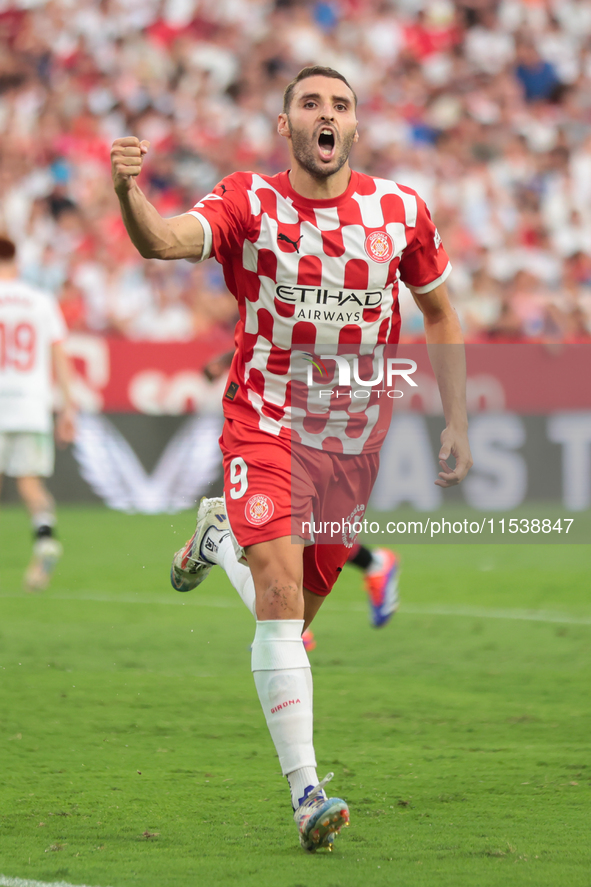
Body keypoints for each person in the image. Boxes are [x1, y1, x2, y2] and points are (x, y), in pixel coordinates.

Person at [111, 65, 472, 853]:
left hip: (350, 443)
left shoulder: (399, 211)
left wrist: (454, 417)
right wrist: (128, 194)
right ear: (286, 126)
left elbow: (441, 312)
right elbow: (164, 241)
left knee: (294, 621)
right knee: (277, 594)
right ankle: (307, 793)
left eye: (339, 105)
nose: (326, 114)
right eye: (310, 102)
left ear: (353, 127)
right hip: (266, 422)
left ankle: (215, 538)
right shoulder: (250, 200)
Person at [202, 348, 400, 641]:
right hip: (285, 420)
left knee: (299, 530)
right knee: (289, 527)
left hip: (320, 423)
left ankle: (291, 622)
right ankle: (292, 621)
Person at [0, 236, 75, 590]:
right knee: (30, 484)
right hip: (31, 404)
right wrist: (67, 408)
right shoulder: (40, 300)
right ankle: (45, 539)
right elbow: (59, 355)